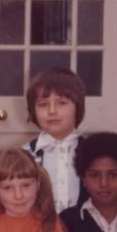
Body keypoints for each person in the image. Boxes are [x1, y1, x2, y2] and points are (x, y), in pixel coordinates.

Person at [23, 66, 87, 212]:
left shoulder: (92, 152)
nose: (52, 111)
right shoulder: (25, 155)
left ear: (78, 107)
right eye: (43, 104)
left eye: (62, 103)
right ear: (33, 110)